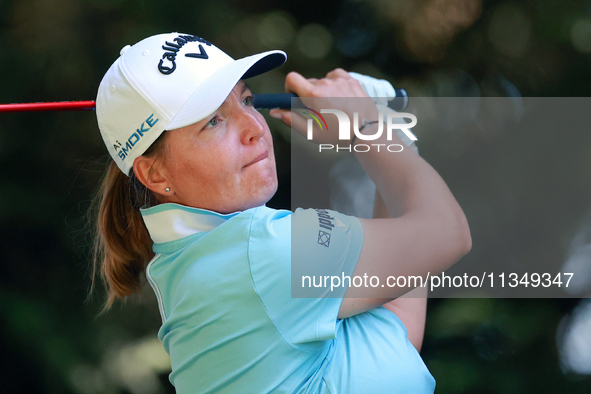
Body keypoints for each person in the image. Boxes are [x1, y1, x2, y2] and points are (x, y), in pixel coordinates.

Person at [92, 32, 471, 393]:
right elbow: (448, 232)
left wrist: (385, 132)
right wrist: (366, 127)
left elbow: (394, 333)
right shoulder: (261, 251)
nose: (254, 127)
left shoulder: (201, 261)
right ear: (154, 174)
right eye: (213, 121)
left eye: (245, 100)